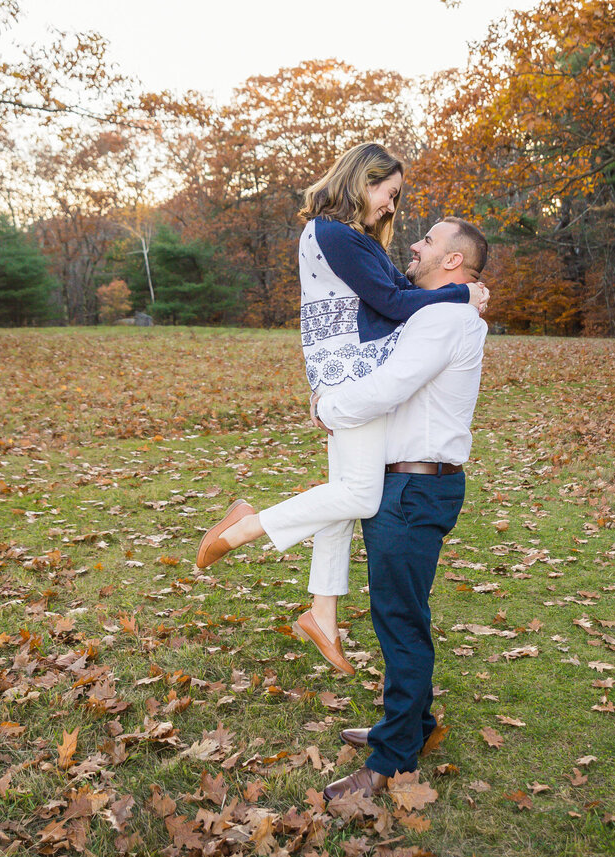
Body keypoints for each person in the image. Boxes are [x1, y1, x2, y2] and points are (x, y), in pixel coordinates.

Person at [195, 144, 488, 675]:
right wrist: (461, 297)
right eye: (390, 193)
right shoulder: (331, 233)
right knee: (357, 493)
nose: (393, 207)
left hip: (353, 371)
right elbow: (398, 305)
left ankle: (322, 614)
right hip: (350, 373)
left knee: (343, 497)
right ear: (362, 181)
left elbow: (398, 290)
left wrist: (452, 295)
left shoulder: (354, 240)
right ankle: (242, 528)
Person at [314, 217, 490, 800]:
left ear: (453, 263)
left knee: (399, 622)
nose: (415, 245)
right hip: (410, 485)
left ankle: (389, 761)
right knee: (401, 613)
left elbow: (389, 386)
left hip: (415, 489)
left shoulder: (445, 317)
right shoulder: (439, 311)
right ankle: (412, 725)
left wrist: (328, 408)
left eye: (429, 242)